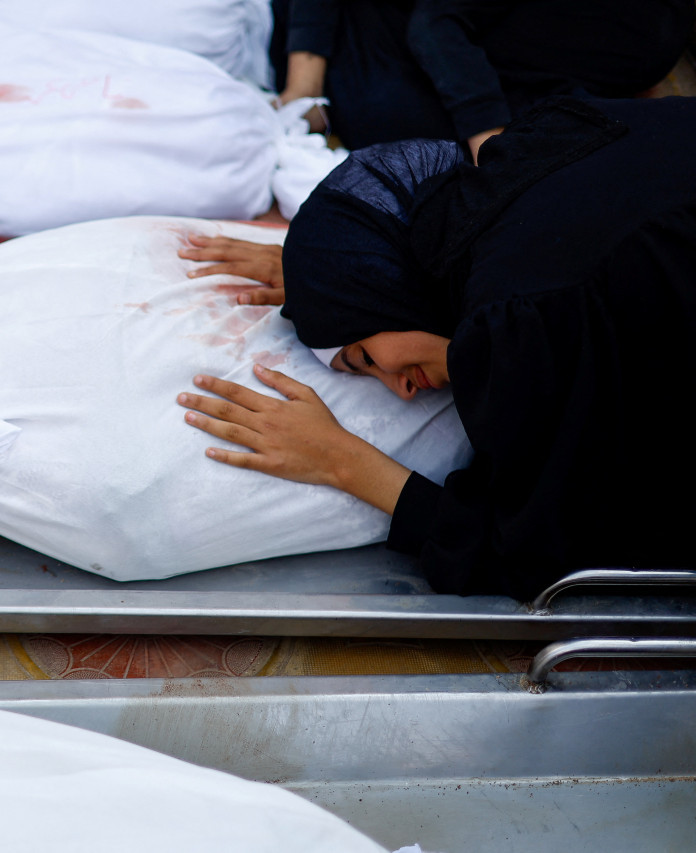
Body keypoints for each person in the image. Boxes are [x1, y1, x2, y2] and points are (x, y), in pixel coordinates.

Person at [177, 94, 696, 598]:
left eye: (363, 358)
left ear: (380, 290)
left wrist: (339, 459)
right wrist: (331, 273)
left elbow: (536, 552)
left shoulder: (519, 319)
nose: (401, 391)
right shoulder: (542, 139)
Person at [271, 0, 694, 156]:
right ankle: (304, 95)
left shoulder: (659, 36)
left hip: (453, 82)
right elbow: (435, 23)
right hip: (375, 56)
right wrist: (488, 143)